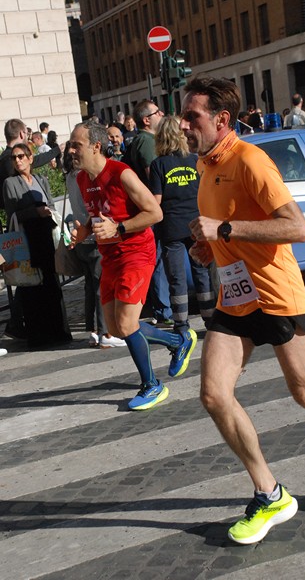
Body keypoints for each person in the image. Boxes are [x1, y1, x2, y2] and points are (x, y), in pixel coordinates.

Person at [180, 76, 305, 545]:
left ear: (221, 119)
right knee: (213, 395)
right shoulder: (205, 167)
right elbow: (227, 230)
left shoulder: (250, 160)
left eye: (192, 116)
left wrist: (225, 229)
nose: (184, 123)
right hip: (236, 298)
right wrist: (211, 247)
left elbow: (297, 228)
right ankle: (269, 493)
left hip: (276, 295)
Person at [69, 120, 197, 411]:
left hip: (136, 252)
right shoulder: (82, 180)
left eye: (76, 145)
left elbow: (155, 213)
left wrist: (120, 230)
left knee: (127, 323)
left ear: (96, 146)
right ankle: (177, 342)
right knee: (115, 327)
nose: (71, 150)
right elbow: (100, 215)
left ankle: (152, 385)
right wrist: (86, 231)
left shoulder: (122, 174)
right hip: (110, 257)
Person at [149, 115, 216, 336]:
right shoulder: (194, 160)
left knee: (176, 279)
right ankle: (210, 321)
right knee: (202, 274)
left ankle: (181, 325)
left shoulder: (158, 165)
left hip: (171, 229)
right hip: (196, 225)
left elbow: (156, 201)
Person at [2, 143, 72, 348]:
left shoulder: (41, 179)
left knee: (51, 283)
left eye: (22, 156)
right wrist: (35, 212)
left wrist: (47, 212)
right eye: (14, 158)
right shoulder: (10, 183)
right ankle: (39, 335)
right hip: (27, 239)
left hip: (45, 237)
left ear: (31, 158)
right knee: (32, 286)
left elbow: (49, 203)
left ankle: (57, 330)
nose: (18, 160)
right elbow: (12, 214)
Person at [63, 143, 126, 349]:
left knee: (90, 286)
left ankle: (93, 331)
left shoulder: (70, 177)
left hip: (82, 237)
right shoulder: (85, 177)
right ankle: (105, 331)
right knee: (101, 285)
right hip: (93, 234)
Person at [122, 99, 173, 327]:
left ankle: (162, 307)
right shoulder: (146, 142)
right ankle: (163, 309)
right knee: (158, 259)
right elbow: (154, 178)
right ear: (146, 119)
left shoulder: (149, 141)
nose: (161, 114)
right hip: (152, 210)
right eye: (157, 112)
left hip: (153, 210)